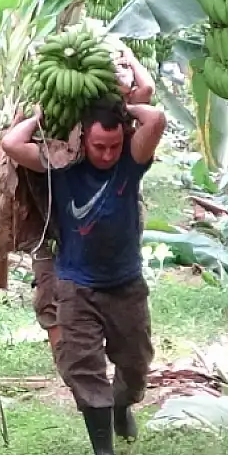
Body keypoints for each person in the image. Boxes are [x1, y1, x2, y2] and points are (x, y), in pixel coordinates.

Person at [0, 77, 165, 455]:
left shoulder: (131, 161)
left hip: (125, 283)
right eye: (98, 146)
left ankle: (123, 405)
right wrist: (38, 117)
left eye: (113, 145)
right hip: (77, 283)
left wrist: (125, 112)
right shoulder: (63, 165)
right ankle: (103, 454)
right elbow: (11, 145)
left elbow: (156, 118)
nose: (107, 154)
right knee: (82, 364)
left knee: (136, 361)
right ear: (81, 141)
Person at [20, 49, 155, 366]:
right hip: (52, 223)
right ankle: (72, 370)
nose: (107, 151)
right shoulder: (56, 148)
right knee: (50, 296)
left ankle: (79, 367)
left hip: (101, 239)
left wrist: (130, 64)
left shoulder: (114, 133)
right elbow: (13, 145)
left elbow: (146, 92)